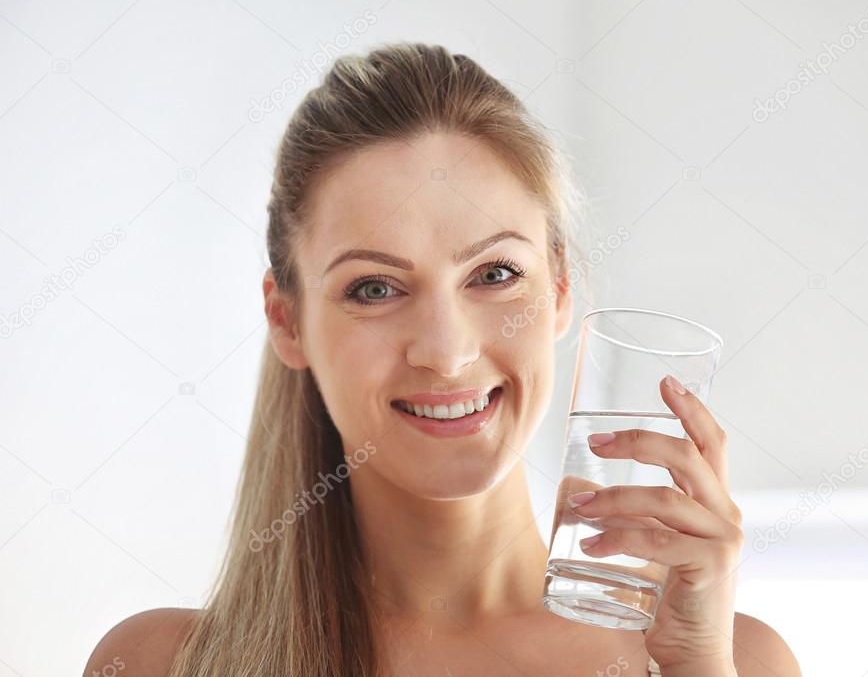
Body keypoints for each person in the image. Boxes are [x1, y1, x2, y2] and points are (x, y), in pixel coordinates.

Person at [83, 41, 801, 676]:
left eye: (493, 275)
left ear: (557, 290)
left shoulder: (731, 662)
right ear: (287, 319)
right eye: (373, 288)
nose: (447, 351)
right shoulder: (161, 666)